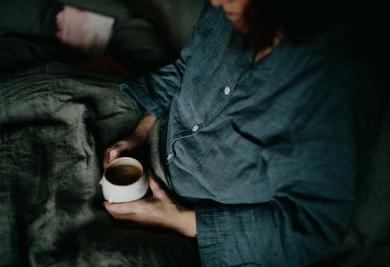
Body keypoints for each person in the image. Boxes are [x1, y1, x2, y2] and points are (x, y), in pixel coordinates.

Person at [102, 0, 385, 266]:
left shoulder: (335, 78)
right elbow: (186, 66)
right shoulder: (227, 8)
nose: (215, 3)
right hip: (152, 143)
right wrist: (139, 132)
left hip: (203, 229)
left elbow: (314, 227)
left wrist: (179, 220)